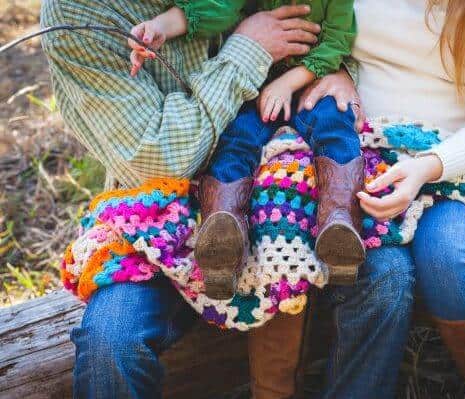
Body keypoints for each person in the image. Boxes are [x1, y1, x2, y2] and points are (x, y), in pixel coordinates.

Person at [40, 0, 326, 397]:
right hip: (151, 224)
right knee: (111, 344)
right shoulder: (80, 14)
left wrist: (340, 72)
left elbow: (334, 28)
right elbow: (160, 160)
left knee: (367, 284)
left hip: (270, 198)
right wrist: (249, 49)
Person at [297, 0, 465, 397]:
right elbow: (318, 28)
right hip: (360, 154)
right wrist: (337, 70)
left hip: (456, 162)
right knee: (381, 272)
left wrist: (428, 167)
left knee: (448, 260)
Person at [126, 0, 364, 300]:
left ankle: (340, 223)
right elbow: (216, 8)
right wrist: (160, 27)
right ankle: (222, 236)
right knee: (237, 138)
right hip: (259, 81)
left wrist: (289, 83)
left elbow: (337, 41)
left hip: (312, 81)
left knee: (335, 127)